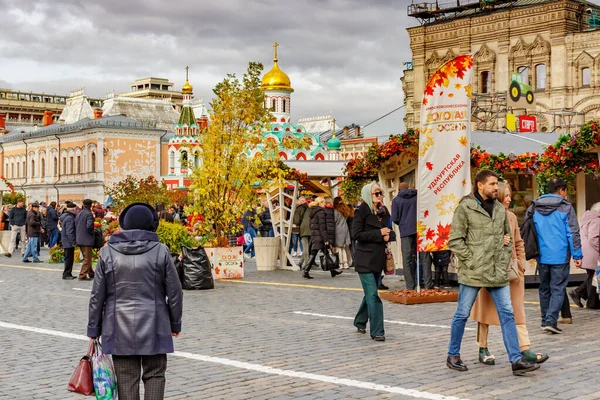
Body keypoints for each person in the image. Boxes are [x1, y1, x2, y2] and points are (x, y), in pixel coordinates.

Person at [447, 169, 539, 376]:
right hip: (473, 272)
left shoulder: (499, 209)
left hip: (497, 273)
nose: (496, 187)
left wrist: (506, 253)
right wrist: (472, 260)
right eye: (492, 184)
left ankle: (516, 360)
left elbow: (508, 237)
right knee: (461, 314)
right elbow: (455, 240)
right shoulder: (465, 208)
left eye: (497, 184)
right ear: (480, 185)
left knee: (508, 314)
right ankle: (453, 355)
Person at [87, 202, 183, 400]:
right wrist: (175, 323)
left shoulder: (107, 252)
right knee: (155, 375)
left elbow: (97, 296)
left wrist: (94, 329)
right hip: (155, 323)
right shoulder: (161, 250)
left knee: (126, 378)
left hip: (118, 325)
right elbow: (174, 292)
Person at [471, 182, 549, 366]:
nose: (509, 199)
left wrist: (521, 264)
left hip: (512, 272)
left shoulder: (512, 216)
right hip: (488, 270)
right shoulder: (482, 215)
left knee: (517, 311)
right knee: (485, 311)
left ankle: (524, 348)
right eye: (505, 196)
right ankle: (483, 347)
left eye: (509, 195)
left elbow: (519, 242)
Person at [525, 177, 582, 334]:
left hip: (541, 255)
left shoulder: (534, 207)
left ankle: (545, 320)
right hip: (560, 255)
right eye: (566, 191)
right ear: (561, 190)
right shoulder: (566, 207)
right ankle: (551, 320)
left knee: (544, 289)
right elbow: (573, 232)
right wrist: (577, 255)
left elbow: (527, 230)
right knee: (557, 288)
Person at [352, 183, 394, 341]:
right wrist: (378, 233)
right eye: (376, 193)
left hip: (379, 259)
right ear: (368, 195)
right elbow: (356, 234)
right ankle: (377, 331)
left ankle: (359, 321)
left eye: (380, 193)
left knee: (370, 293)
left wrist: (388, 235)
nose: (379, 196)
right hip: (365, 259)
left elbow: (390, 230)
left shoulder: (384, 211)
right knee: (373, 295)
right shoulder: (361, 211)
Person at [391, 182, 433, 290]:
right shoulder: (418, 197)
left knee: (407, 259)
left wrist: (403, 223)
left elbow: (395, 218)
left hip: (405, 231)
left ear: (399, 190)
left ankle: (410, 286)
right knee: (425, 257)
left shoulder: (396, 200)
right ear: (409, 188)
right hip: (420, 229)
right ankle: (428, 285)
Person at [569, 202, 600, 310]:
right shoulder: (596, 220)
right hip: (593, 253)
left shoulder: (587, 218)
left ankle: (581, 294)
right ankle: (589, 300)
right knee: (594, 277)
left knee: (592, 276)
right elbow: (593, 237)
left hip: (586, 252)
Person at [303, 196, 342, 279]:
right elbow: (322, 227)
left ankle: (333, 270)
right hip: (320, 237)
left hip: (315, 235)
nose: (325, 204)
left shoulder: (313, 211)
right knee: (314, 254)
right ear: (320, 203)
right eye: (323, 202)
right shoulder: (321, 212)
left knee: (325, 253)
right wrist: (326, 239)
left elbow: (311, 225)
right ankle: (305, 271)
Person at [76, 199, 95, 280]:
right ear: (91, 205)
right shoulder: (89, 214)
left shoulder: (79, 213)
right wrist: (93, 232)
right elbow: (89, 226)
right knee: (87, 258)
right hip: (86, 239)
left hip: (80, 238)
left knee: (86, 257)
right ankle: (82, 275)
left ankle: (91, 273)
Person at [333, 197, 353, 269]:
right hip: (345, 230)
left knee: (339, 248)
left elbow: (334, 221)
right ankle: (346, 263)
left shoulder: (336, 211)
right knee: (344, 247)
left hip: (338, 230)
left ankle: (340, 263)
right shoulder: (345, 210)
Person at [60, 202, 77, 280]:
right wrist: (73, 242)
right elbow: (69, 231)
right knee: (69, 259)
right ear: (73, 210)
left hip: (66, 241)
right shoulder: (70, 218)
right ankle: (67, 274)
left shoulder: (66, 216)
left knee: (68, 258)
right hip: (68, 242)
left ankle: (68, 273)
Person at [293, 196, 311, 268]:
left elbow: (297, 221)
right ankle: (300, 262)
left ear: (300, 201)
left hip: (303, 228)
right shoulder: (309, 208)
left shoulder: (299, 209)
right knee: (307, 246)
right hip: (311, 228)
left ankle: (307, 264)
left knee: (305, 247)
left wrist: (294, 223)